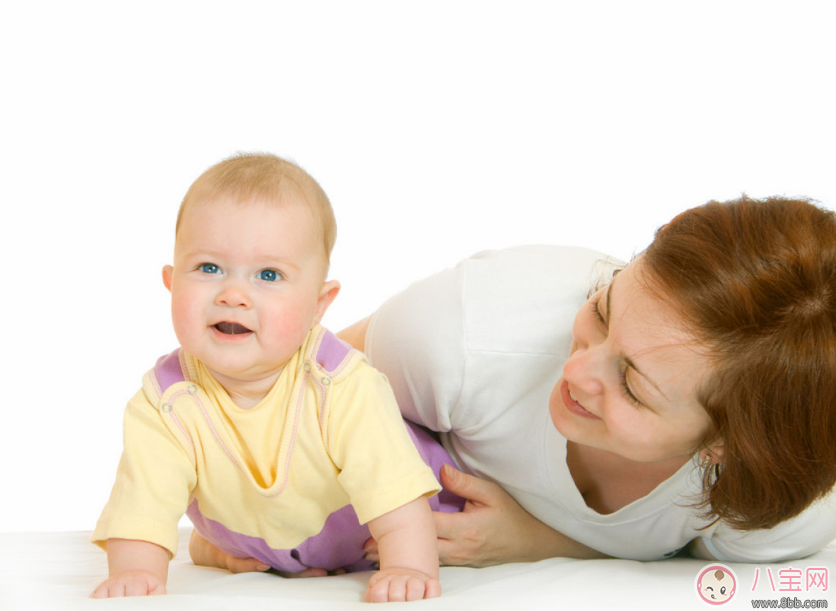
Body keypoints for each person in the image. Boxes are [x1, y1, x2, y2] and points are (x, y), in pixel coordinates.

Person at [190, 194, 836, 572]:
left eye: (634, 387)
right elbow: (283, 387)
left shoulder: (771, 509)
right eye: (604, 309)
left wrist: (536, 541)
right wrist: (236, 527)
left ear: (722, 448)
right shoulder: (461, 337)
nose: (577, 371)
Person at [91, 153, 462, 603]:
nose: (233, 295)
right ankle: (221, 546)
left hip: (372, 532)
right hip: (260, 533)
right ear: (171, 282)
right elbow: (141, 508)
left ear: (318, 304)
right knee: (214, 527)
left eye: (268, 275)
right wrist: (136, 575)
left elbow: (398, 494)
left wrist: (407, 566)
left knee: (431, 509)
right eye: (209, 268)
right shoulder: (165, 402)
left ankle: (225, 543)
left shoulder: (341, 384)